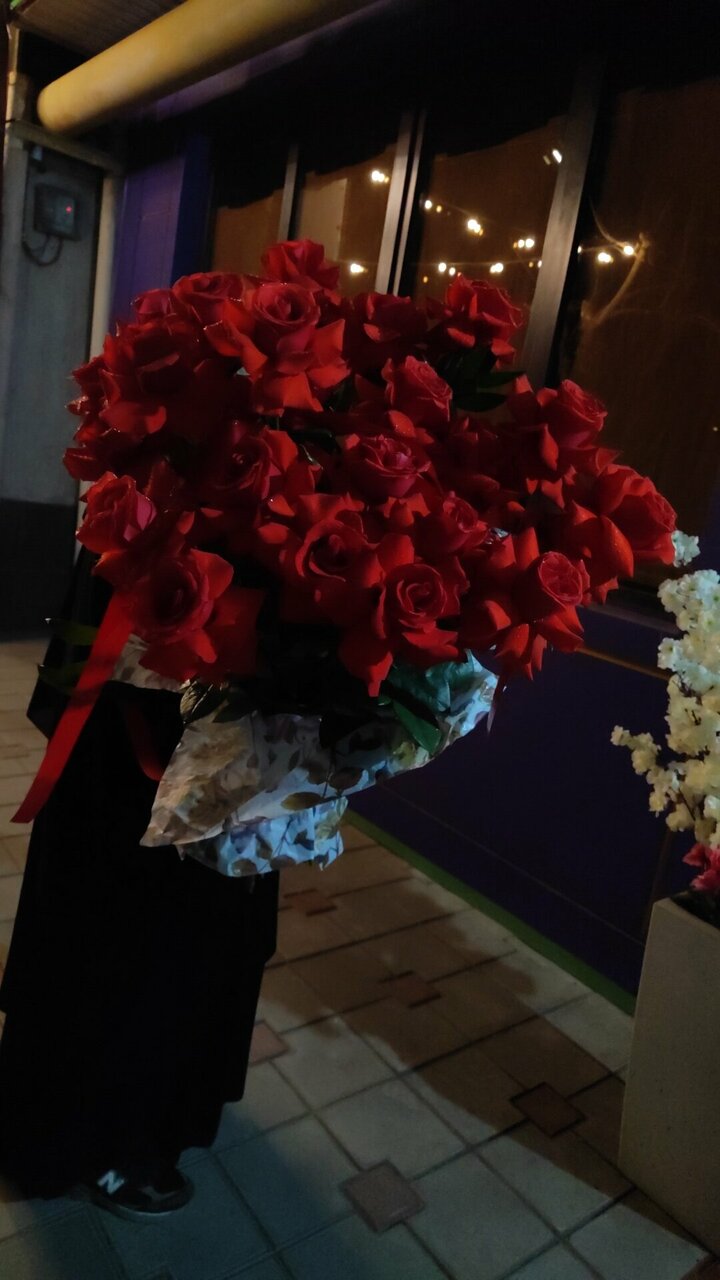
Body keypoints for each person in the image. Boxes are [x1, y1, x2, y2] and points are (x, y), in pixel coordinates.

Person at [0, 553, 279, 1219]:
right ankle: (103, 1142)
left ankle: (113, 1121)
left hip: (192, 739)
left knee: (158, 941)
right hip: (155, 742)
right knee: (139, 941)